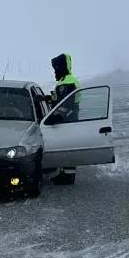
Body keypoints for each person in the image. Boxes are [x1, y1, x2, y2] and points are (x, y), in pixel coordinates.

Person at [48, 52, 80, 184]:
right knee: (65, 146)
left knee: (67, 147)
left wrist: (57, 117)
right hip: (68, 120)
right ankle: (65, 172)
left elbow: (67, 104)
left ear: (62, 67)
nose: (55, 70)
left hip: (68, 121)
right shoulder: (64, 80)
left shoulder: (68, 82)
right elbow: (60, 100)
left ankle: (68, 176)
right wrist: (49, 99)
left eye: (56, 67)